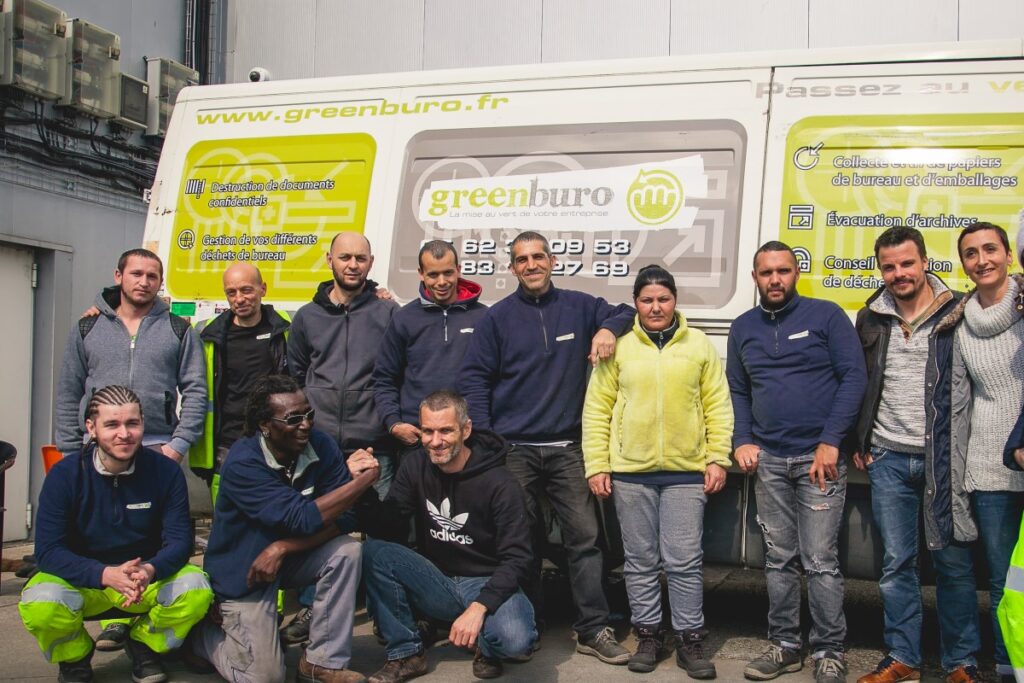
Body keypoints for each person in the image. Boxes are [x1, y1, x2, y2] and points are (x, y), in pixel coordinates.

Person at [458, 231, 635, 665]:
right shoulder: (496, 319)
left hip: (567, 448)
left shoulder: (579, 306)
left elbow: (625, 310)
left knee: (585, 540)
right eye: (522, 259)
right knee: (521, 542)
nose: (531, 265)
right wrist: (488, 441)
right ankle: (527, 623)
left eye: (538, 256)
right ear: (512, 267)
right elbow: (475, 380)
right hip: (513, 451)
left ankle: (593, 627)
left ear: (553, 260)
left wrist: (608, 329)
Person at [583, 265, 733, 679]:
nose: (655, 307)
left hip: (686, 473)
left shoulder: (699, 346)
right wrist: (597, 463)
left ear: (674, 300)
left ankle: (690, 639)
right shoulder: (620, 347)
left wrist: (718, 456)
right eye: (647, 300)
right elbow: (597, 409)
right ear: (635, 303)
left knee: (684, 560)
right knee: (640, 560)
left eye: (663, 299)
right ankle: (648, 634)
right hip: (631, 472)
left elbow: (718, 405)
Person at [53, 247, 207, 652]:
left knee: (154, 540)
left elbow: (196, 391)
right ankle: (115, 617)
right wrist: (71, 455)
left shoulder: (178, 330)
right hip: (96, 452)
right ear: (118, 275)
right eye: (136, 273)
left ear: (160, 282)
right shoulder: (88, 328)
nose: (144, 281)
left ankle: (140, 622)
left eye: (152, 276)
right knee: (101, 535)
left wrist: (176, 447)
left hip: (156, 448)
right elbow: (69, 391)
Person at [727, 241, 866, 683]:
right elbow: (739, 389)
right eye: (766, 272)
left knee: (821, 559)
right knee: (778, 557)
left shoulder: (826, 316)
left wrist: (831, 441)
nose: (775, 280)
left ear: (796, 273)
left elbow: (854, 377)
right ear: (755, 277)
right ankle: (786, 644)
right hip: (769, 459)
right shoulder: (743, 326)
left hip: (818, 461)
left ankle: (829, 650)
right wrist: (743, 439)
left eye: (783, 271)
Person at [19, 385, 213, 683]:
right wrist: (105, 574)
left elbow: (179, 542)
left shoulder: (166, 471)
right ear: (91, 428)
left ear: (142, 425)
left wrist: (150, 569)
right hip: (86, 581)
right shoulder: (66, 475)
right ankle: (74, 657)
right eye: (112, 424)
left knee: (196, 588)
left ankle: (145, 645)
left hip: (143, 579)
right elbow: (47, 551)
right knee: (40, 601)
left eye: (132, 423)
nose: (124, 433)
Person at [192, 375, 379, 683]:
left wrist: (283, 547)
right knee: (265, 677)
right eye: (292, 419)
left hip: (286, 558)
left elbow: (346, 518)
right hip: (245, 571)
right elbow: (302, 518)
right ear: (265, 425)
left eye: (308, 414)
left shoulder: (321, 445)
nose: (304, 424)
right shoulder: (242, 463)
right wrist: (361, 483)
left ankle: (322, 662)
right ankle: (203, 638)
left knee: (347, 550)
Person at [851, 226, 977, 683]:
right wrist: (859, 440)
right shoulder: (871, 316)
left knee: (953, 563)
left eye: (907, 263)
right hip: (888, 458)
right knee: (896, 564)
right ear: (880, 268)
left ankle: (960, 661)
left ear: (925, 261)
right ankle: (902, 656)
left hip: (945, 459)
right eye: (889, 266)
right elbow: (859, 381)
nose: (899, 273)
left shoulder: (960, 311)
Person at [358, 390, 536, 682]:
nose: (435, 441)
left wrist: (479, 608)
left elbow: (518, 559)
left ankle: (486, 645)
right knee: (374, 551)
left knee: (515, 640)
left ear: (465, 430)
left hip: (486, 581)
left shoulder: (500, 483)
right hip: (437, 579)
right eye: (427, 431)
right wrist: (364, 487)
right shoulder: (415, 465)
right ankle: (407, 653)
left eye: (445, 430)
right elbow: (387, 527)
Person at [943, 222, 1024, 682]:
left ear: (1009, 255)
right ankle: (1010, 670)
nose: (982, 260)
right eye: (971, 254)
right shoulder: (962, 322)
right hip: (989, 468)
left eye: (990, 249)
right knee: (1005, 584)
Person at [288, 232, 399, 491]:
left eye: (360, 258)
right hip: (317, 447)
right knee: (318, 525)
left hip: (375, 448)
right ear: (329, 260)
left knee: (381, 529)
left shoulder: (390, 313)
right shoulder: (307, 317)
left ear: (371, 262)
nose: (352, 265)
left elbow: (398, 374)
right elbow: (297, 376)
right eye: (344, 257)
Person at [373, 240, 488, 452]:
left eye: (448, 273)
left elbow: (494, 378)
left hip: (469, 439)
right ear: (421, 273)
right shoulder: (404, 319)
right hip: (417, 440)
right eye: (433, 275)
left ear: (458, 270)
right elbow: (384, 378)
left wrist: (482, 429)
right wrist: (394, 424)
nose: (442, 282)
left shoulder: (483, 317)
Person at [191, 262, 290, 499]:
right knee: (227, 516)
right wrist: (110, 305)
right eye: (231, 292)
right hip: (226, 439)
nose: (239, 299)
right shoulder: (206, 333)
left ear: (263, 289)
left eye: (246, 290)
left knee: (273, 510)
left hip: (271, 437)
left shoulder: (284, 327)